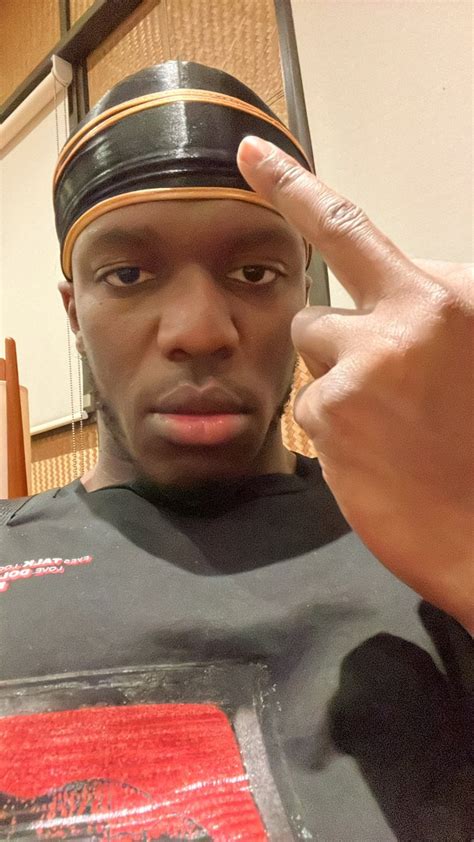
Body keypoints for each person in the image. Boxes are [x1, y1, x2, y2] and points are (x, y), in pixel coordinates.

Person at [0, 61, 472, 841]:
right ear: (74, 313)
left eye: (255, 272)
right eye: (128, 274)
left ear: (302, 291)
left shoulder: (432, 542)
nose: (200, 331)